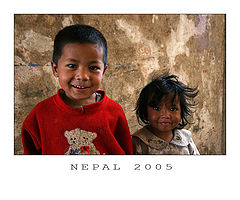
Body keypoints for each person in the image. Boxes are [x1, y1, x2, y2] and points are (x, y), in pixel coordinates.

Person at [21, 24, 133, 155]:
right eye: (72, 65)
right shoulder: (40, 114)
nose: (82, 76)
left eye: (93, 68)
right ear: (55, 69)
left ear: (103, 71)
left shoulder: (114, 112)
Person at [132, 74, 200, 155]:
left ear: (181, 111)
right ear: (145, 110)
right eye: (157, 108)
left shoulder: (186, 139)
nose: (165, 115)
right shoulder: (138, 142)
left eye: (172, 109)